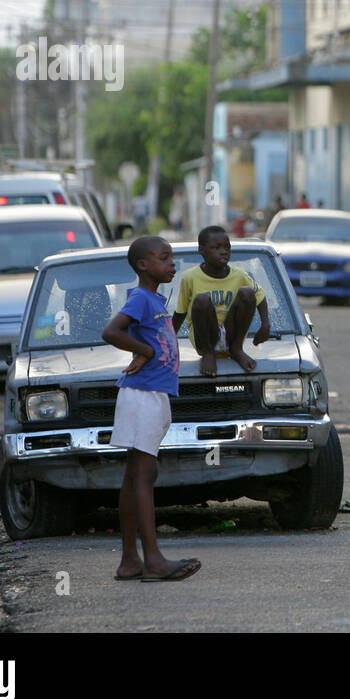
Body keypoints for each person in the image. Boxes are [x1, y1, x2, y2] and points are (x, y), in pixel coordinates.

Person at [101, 236, 201, 582]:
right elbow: (111, 331)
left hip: (150, 396)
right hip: (143, 395)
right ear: (143, 265)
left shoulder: (154, 299)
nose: (172, 263)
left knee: (135, 478)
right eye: (164, 257)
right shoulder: (142, 298)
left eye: (172, 257)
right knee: (143, 476)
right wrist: (143, 351)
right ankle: (154, 560)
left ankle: (130, 561)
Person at [172, 225, 270, 376]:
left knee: (247, 293)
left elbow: (260, 297)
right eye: (216, 247)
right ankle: (208, 353)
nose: (223, 251)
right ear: (202, 250)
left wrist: (265, 324)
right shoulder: (190, 277)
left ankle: (236, 349)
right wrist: (168, 342)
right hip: (204, 336)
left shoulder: (240, 275)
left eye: (227, 247)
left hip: (231, 333)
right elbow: (180, 312)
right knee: (202, 300)